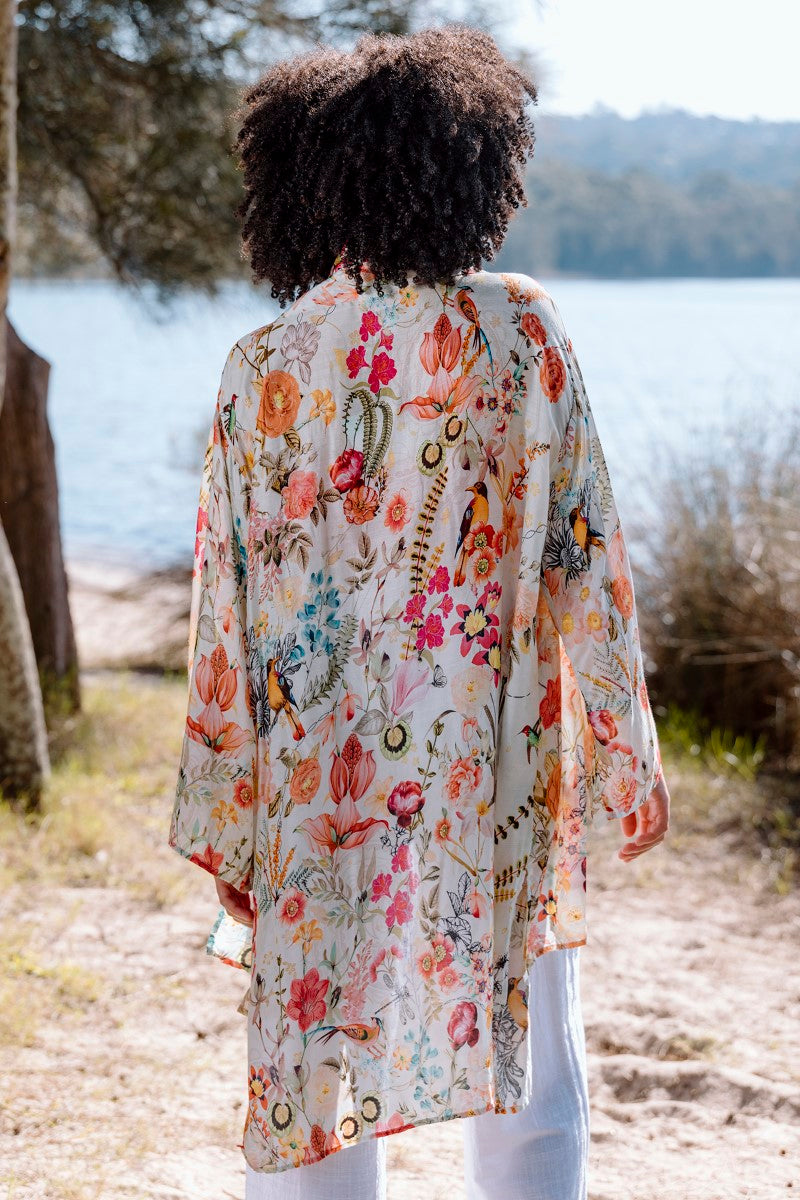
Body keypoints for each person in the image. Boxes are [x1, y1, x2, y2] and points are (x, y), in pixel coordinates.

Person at [167, 23, 671, 1200]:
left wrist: (230, 808)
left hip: (315, 776)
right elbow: (586, 555)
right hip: (492, 763)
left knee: (317, 1058)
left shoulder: (263, 363)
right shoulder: (521, 329)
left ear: (300, 180)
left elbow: (222, 616)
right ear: (469, 169)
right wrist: (623, 753)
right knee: (530, 1066)